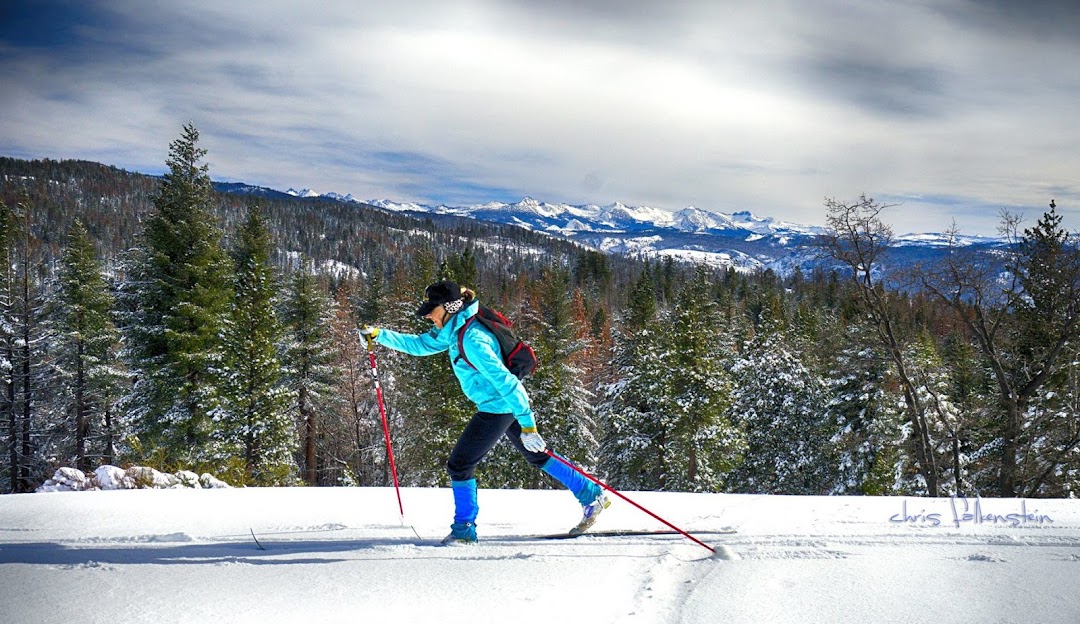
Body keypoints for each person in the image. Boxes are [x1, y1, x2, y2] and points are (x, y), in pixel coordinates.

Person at [360, 280, 609, 544]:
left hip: (498, 406)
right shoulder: (455, 329)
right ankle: (589, 492)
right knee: (536, 456)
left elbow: (509, 383)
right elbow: (422, 345)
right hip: (499, 404)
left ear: (448, 307)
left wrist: (528, 425)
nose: (428, 315)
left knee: (460, 464)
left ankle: (464, 530)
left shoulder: (473, 340)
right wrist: (380, 335)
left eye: (432, 310)